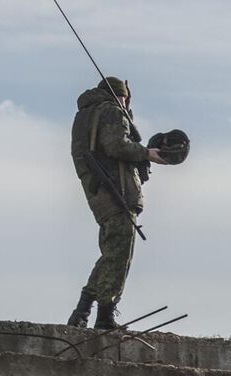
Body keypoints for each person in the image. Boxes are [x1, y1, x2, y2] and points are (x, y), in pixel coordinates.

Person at [66, 76, 166, 330]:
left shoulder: (85, 116)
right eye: (126, 99)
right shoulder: (109, 111)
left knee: (112, 252)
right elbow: (116, 145)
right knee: (120, 254)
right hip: (116, 190)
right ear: (122, 96)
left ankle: (83, 310)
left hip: (99, 191)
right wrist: (147, 154)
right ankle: (104, 316)